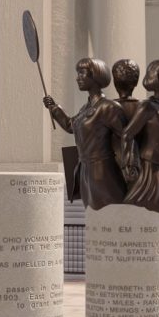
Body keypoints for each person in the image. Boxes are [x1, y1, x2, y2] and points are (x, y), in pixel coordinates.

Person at [42, 58, 129, 210]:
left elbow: (127, 138)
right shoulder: (86, 108)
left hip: (103, 173)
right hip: (85, 171)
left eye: (82, 73)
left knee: (107, 214)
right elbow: (71, 125)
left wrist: (131, 168)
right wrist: (54, 108)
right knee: (91, 216)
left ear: (95, 75)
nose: (77, 78)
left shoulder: (109, 107)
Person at [120, 59, 159, 215]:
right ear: (158, 79)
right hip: (152, 168)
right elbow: (128, 134)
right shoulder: (148, 107)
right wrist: (130, 163)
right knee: (151, 203)